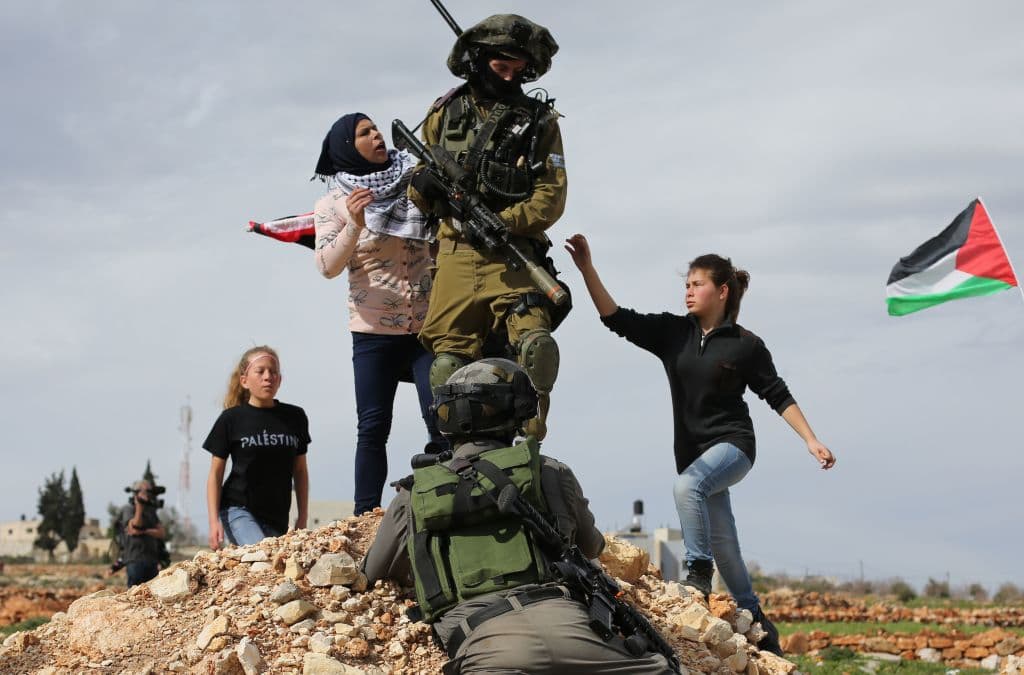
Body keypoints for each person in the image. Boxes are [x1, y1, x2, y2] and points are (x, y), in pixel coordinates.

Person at [565, 234, 837, 656]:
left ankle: (696, 572)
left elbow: (777, 394)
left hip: (735, 447)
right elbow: (617, 318)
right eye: (686, 284)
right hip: (693, 456)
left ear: (722, 291)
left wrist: (811, 439)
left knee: (686, 488)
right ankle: (757, 620)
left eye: (696, 284)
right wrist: (587, 270)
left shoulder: (746, 345)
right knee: (725, 541)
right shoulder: (675, 334)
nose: (687, 291)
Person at [362, 358, 674, 675]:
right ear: (519, 410)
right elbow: (591, 547)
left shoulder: (413, 494)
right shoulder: (551, 471)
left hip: (485, 645)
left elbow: (374, 570)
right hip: (575, 634)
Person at [410, 14, 567, 441]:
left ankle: (530, 445)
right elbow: (420, 187)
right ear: (479, 60)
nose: (511, 77)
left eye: (519, 71)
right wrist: (421, 186)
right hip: (457, 251)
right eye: (502, 67)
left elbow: (551, 195)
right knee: (446, 365)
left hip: (512, 252)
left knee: (536, 348)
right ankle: (456, 453)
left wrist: (504, 223)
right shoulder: (444, 112)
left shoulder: (539, 121)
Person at [313, 112, 442, 516]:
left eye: (376, 129)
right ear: (348, 148)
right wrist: (353, 224)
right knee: (372, 426)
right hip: (372, 332)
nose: (376, 135)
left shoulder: (417, 182)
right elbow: (327, 266)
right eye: (364, 133)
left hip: (426, 326)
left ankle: (443, 500)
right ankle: (365, 515)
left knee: (441, 415)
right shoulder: (334, 203)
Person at [203, 346, 310, 548]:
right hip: (238, 509)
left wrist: (303, 516)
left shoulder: (295, 417)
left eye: (273, 371)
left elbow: (301, 470)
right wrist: (213, 522)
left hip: (277, 516)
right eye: (260, 371)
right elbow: (215, 474)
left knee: (274, 566)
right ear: (244, 380)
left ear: (280, 379)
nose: (268, 377)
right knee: (264, 554)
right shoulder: (231, 419)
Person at [119, 479, 166, 587]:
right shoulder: (129, 509)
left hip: (152, 560)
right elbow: (135, 526)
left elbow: (161, 533)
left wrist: (144, 531)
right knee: (135, 594)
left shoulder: (150, 511)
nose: (148, 495)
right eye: (145, 491)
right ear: (136, 492)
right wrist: (139, 506)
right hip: (135, 559)